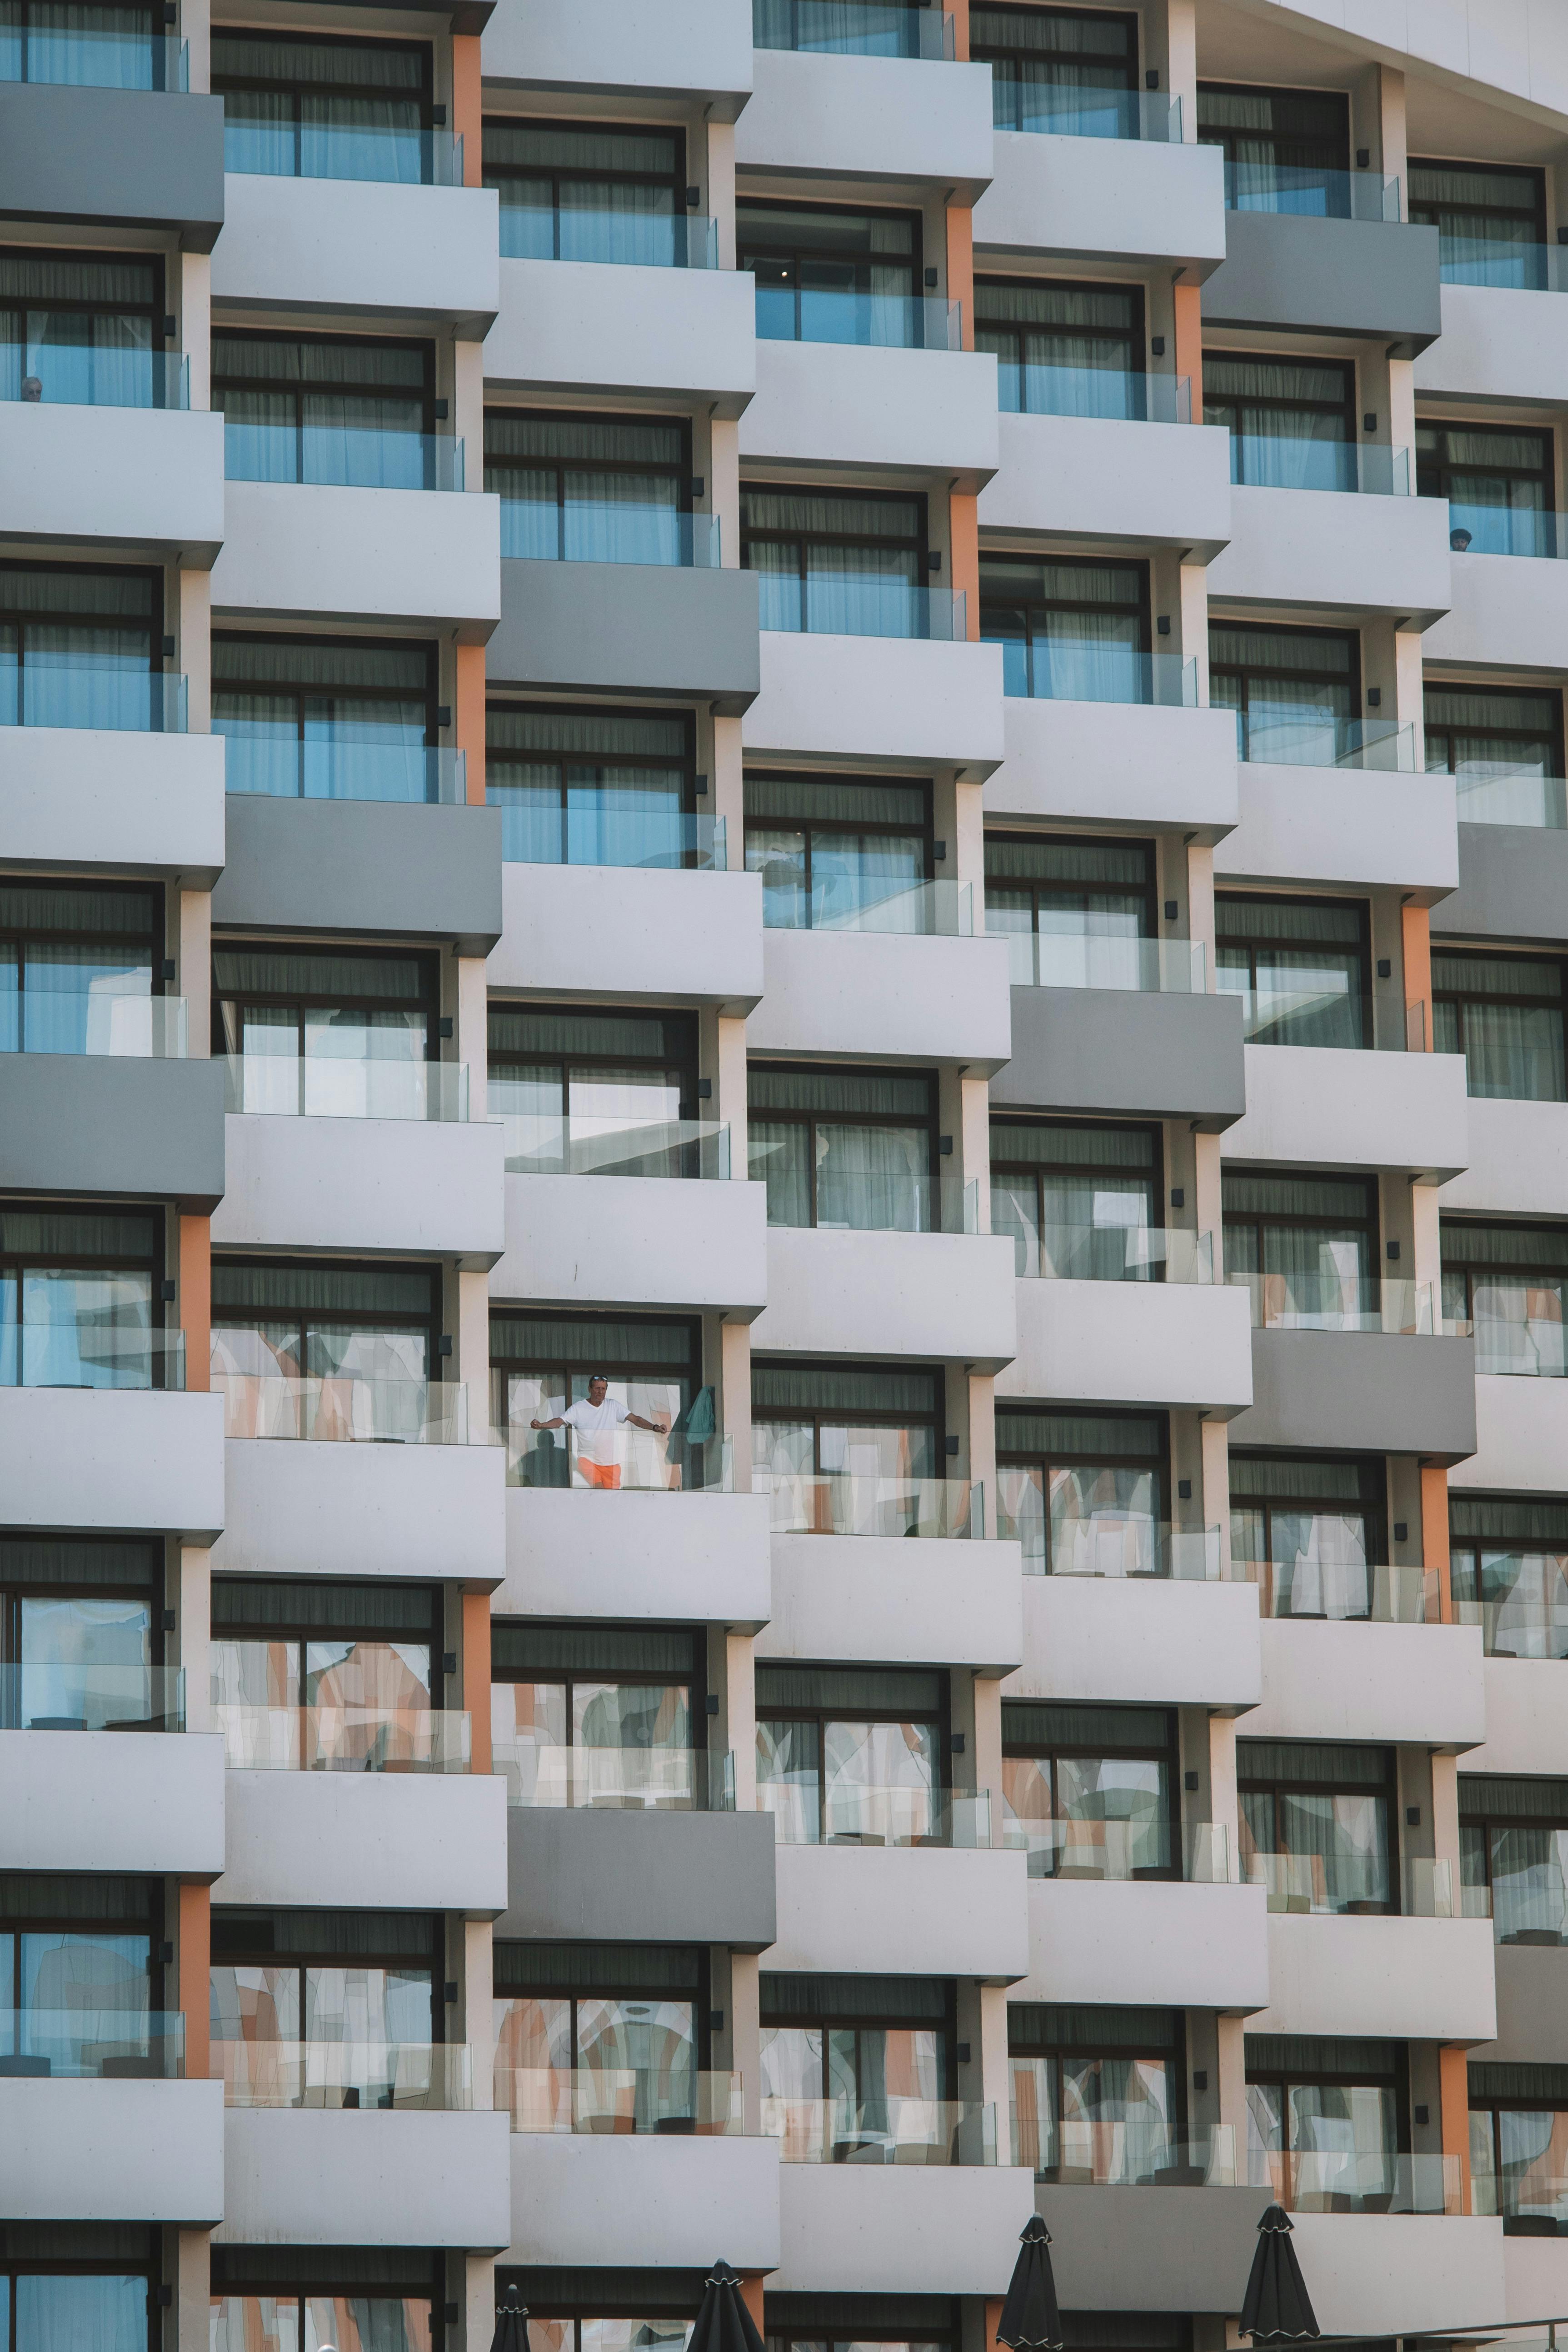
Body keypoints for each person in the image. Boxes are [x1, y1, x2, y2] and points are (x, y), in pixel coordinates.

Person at [530, 1374, 669, 1491]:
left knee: (612, 1499)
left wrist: (655, 1427)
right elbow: (560, 1421)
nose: (600, 1392)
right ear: (590, 1389)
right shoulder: (579, 1408)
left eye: (603, 1389)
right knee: (599, 1491)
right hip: (588, 1459)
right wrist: (543, 1425)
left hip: (612, 1463)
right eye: (597, 1388)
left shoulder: (613, 1405)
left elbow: (636, 1419)